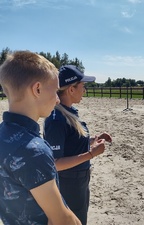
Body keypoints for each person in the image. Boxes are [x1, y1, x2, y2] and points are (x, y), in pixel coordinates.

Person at [0, 51, 81, 224]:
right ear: (37, 89)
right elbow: (61, 219)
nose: (58, 100)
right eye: (55, 91)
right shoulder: (32, 150)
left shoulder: (3, 134)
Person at [43, 65, 112, 225]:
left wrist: (93, 139)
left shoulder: (68, 112)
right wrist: (91, 154)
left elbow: (72, 143)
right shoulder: (56, 120)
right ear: (71, 90)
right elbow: (55, 164)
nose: (85, 90)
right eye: (82, 86)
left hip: (78, 180)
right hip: (69, 183)